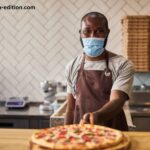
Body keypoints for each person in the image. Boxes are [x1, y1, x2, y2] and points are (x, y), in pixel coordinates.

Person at [64, 12, 134, 131]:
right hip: (81, 133)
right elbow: (70, 108)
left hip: (114, 131)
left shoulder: (122, 64)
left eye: (99, 31)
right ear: (80, 33)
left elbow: (117, 100)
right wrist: (65, 136)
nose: (92, 36)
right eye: (87, 31)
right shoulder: (72, 65)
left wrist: (98, 116)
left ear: (107, 33)